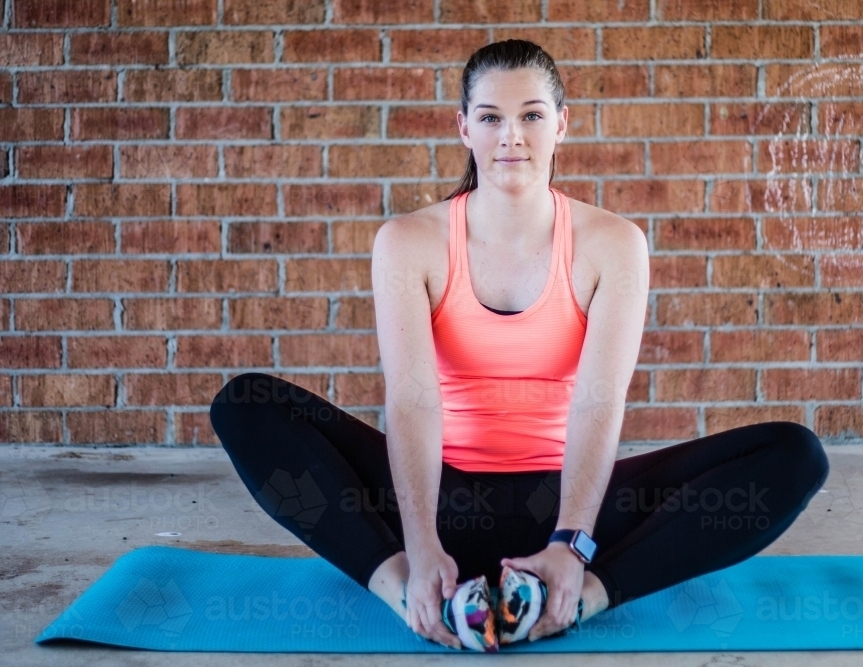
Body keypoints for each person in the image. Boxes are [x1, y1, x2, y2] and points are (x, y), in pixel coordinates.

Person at [209, 39, 830, 652]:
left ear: (561, 125)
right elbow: (413, 402)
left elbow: (598, 402)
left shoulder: (613, 243)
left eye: (532, 115)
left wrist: (570, 542)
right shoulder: (409, 241)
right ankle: (407, 592)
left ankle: (573, 598)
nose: (512, 136)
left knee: (793, 454)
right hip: (440, 505)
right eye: (491, 117)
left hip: (568, 509)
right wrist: (422, 545)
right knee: (245, 403)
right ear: (464, 129)